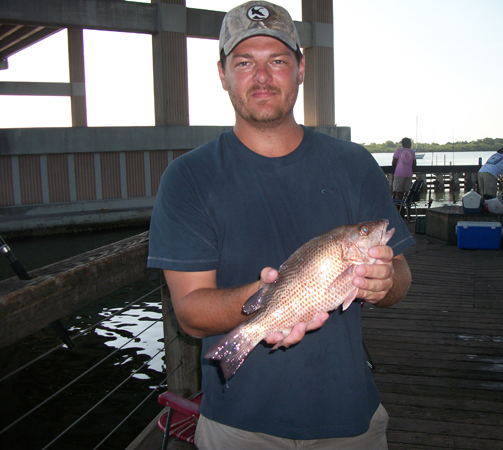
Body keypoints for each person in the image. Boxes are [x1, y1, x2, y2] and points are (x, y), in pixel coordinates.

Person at [147, 2, 414, 449]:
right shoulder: (187, 178)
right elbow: (190, 312)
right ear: (222, 74)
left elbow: (402, 275)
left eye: (277, 61)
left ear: (301, 68)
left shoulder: (355, 164)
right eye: (245, 62)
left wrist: (384, 281)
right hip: (236, 425)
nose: (263, 76)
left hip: (349, 420)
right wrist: (269, 301)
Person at [391, 137, 417, 217]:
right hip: (409, 174)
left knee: (398, 194)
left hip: (399, 174)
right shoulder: (412, 152)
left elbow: (393, 163)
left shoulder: (398, 151)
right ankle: (407, 214)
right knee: (407, 195)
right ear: (408, 144)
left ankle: (397, 214)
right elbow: (414, 164)